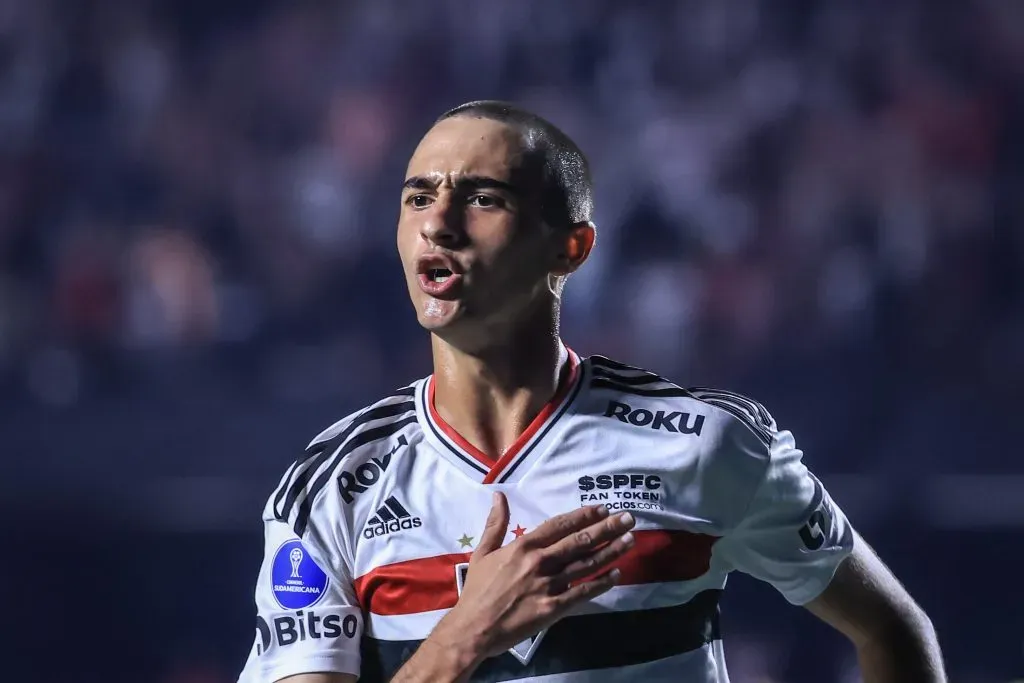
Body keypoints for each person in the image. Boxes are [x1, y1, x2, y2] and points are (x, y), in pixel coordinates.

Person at [237, 101, 946, 683]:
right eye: (418, 195)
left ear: (569, 248)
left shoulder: (703, 441)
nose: (439, 221)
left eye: (482, 197)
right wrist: (464, 638)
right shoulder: (332, 486)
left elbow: (891, 626)